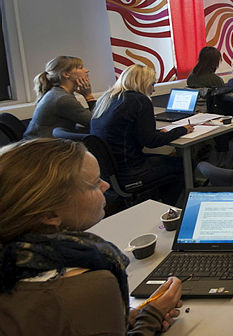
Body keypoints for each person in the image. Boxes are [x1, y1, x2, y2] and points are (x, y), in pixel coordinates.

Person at [0, 138, 183, 335]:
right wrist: (152, 315)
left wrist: (120, 316)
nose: (105, 185)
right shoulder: (86, 286)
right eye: (95, 183)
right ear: (50, 215)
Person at [90, 65, 192, 205]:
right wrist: (182, 130)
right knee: (183, 165)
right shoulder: (139, 100)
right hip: (130, 172)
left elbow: (127, 131)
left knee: (168, 162)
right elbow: (151, 141)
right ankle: (170, 209)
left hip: (109, 173)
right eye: (152, 84)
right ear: (142, 83)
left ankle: (156, 202)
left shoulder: (107, 98)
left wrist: (154, 133)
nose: (154, 89)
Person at [24, 56, 96, 138]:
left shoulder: (57, 92)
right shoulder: (63, 99)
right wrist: (89, 97)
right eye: (80, 68)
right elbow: (97, 124)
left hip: (43, 143)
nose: (87, 70)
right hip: (42, 147)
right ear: (66, 74)